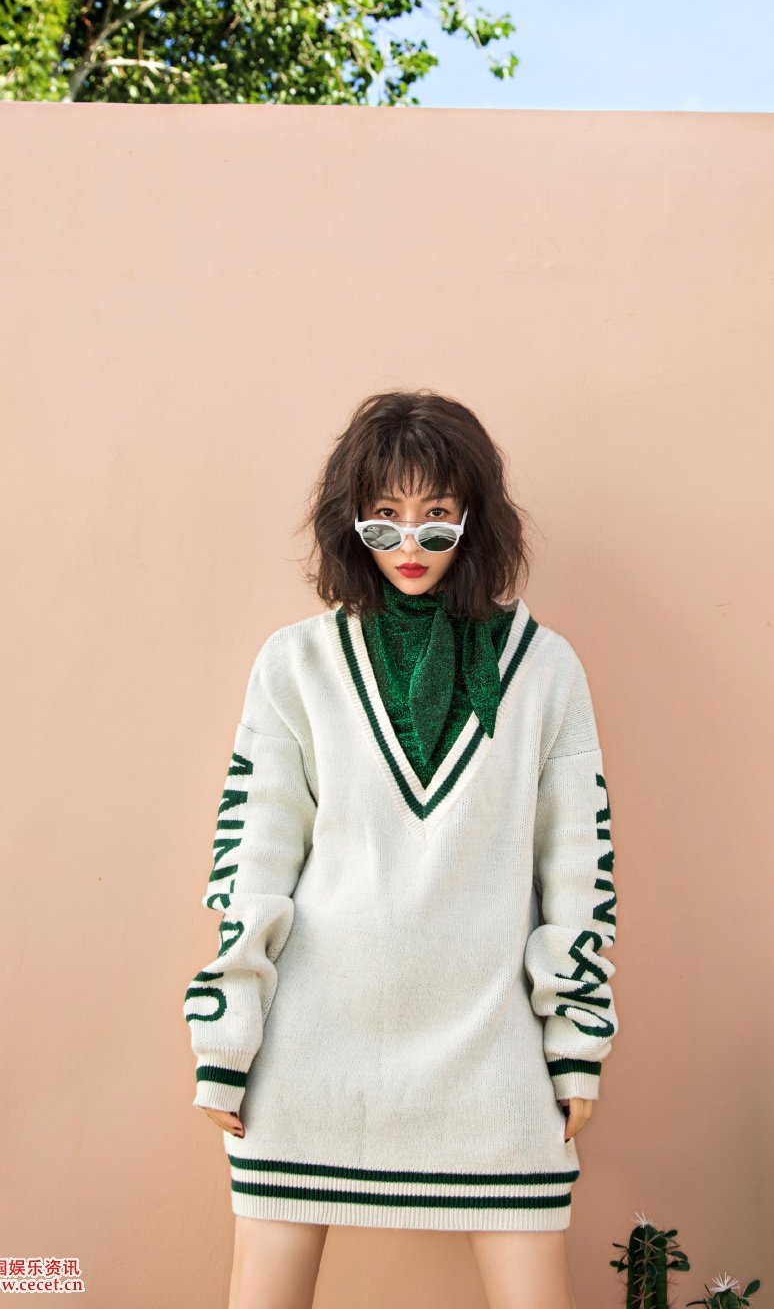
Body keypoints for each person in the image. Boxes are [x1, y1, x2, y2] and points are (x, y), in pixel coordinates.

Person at [182, 389, 620, 1309]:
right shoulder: (295, 663)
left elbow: (578, 871)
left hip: (489, 1048)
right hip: (311, 1050)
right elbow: (253, 856)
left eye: (436, 517)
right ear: (350, 523)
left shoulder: (544, 669)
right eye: (383, 518)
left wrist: (575, 1039)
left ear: (475, 519)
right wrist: (226, 1034)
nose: (409, 543)